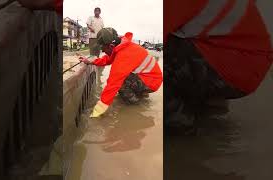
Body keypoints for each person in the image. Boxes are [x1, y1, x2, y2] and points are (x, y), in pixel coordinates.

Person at [165, 0, 273, 133]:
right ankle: (210, 108)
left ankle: (178, 124)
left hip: (232, 64)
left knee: (165, 54)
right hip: (245, 61)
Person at [79, 28, 163, 118]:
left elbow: (112, 85)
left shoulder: (124, 54)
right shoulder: (121, 46)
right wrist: (90, 61)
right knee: (122, 79)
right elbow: (108, 59)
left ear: (111, 46)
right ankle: (141, 93)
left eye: (103, 48)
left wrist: (97, 112)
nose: (102, 51)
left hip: (151, 82)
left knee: (121, 82)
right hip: (148, 77)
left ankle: (135, 105)